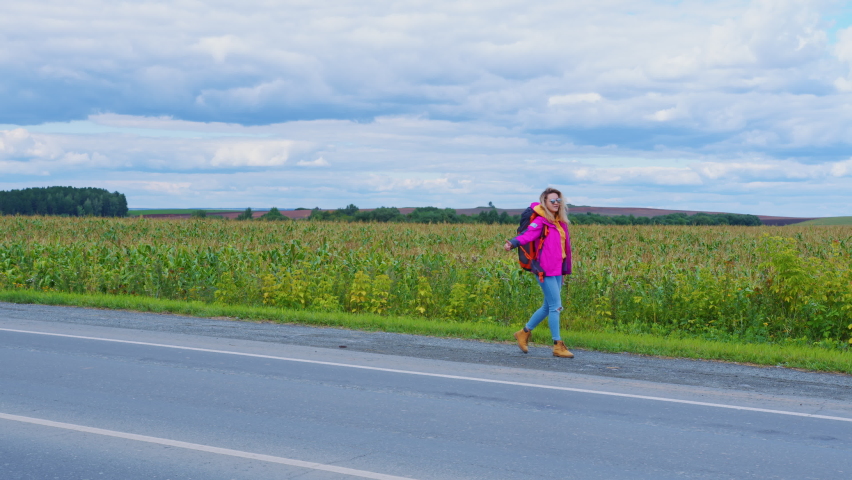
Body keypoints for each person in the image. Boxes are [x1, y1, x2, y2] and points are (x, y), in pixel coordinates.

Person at [503, 187, 574, 358]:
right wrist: (512, 243)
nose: (556, 203)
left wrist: (563, 272)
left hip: (557, 269)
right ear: (545, 202)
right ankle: (557, 345)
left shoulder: (559, 222)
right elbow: (527, 235)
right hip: (545, 270)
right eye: (552, 200)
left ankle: (523, 332)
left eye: (558, 200)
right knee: (555, 307)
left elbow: (563, 249)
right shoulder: (541, 222)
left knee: (547, 306)